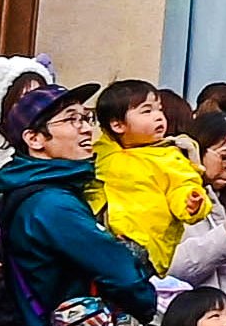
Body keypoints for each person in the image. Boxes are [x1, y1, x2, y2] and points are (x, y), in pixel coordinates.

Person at [0, 80, 157, 326]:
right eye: (71, 120)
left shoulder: (35, 187)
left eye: (86, 118)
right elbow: (120, 273)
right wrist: (147, 305)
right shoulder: (52, 204)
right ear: (35, 139)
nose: (85, 129)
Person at [87, 78, 204, 281]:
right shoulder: (101, 152)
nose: (159, 117)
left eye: (159, 109)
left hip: (144, 245)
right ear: (117, 125)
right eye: (147, 111)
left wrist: (191, 202)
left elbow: (183, 185)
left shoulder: (169, 157)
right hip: (101, 233)